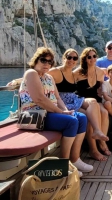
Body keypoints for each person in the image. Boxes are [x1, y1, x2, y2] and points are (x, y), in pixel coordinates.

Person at [19, 47, 93, 175]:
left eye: (50, 62)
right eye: (44, 60)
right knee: (71, 122)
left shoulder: (49, 78)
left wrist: (65, 110)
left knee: (81, 117)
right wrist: (60, 112)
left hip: (50, 113)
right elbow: (39, 99)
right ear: (36, 60)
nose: (47, 64)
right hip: (36, 115)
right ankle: (63, 165)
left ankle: (75, 159)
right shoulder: (31, 73)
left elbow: (57, 97)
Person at [73, 47, 111, 161]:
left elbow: (101, 87)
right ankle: (93, 149)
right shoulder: (77, 72)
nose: (92, 59)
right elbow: (67, 83)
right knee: (90, 115)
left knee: (104, 112)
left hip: (95, 100)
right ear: (84, 59)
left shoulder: (100, 71)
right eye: (89, 57)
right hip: (82, 100)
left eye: (94, 56)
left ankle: (102, 142)